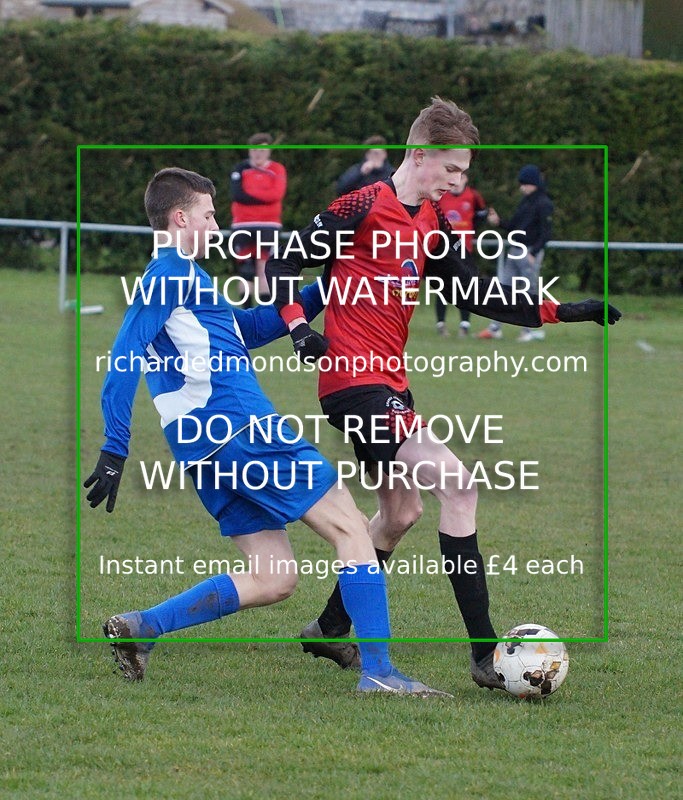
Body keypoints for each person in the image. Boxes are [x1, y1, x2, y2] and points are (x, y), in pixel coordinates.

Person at [265, 98, 621, 689]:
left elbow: (479, 296)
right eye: (452, 170)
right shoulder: (361, 205)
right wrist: (301, 328)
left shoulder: (433, 225)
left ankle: (330, 629)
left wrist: (565, 311)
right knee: (459, 483)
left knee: (400, 514)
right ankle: (486, 656)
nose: (459, 182)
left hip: (388, 384)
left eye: (464, 173)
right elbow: (283, 262)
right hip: (354, 384)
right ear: (420, 154)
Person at [83, 166, 449, 696]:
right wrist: (115, 445)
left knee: (274, 577)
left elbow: (245, 329)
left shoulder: (188, 278)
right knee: (351, 528)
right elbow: (123, 355)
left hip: (201, 449)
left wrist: (332, 282)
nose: (217, 226)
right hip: (238, 428)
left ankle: (143, 628)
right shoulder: (168, 275)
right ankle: (380, 673)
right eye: (210, 216)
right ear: (181, 217)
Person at [478, 164, 554, 342]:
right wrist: (499, 222)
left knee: (528, 292)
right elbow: (514, 226)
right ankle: (495, 327)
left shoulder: (544, 204)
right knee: (504, 288)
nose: (522, 187)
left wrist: (534, 252)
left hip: (528, 252)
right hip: (514, 250)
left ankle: (528, 330)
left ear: (533, 183)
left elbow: (546, 233)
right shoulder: (525, 202)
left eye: (524, 183)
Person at [230, 133, 287, 305]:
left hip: (268, 225)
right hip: (243, 225)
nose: (258, 154)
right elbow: (237, 195)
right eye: (255, 150)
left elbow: (276, 194)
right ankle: (246, 312)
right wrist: (264, 198)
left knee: (265, 267)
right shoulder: (240, 169)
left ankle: (264, 313)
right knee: (245, 268)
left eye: (262, 150)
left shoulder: (276, 169)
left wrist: (250, 195)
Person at [434, 173, 488, 337]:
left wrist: (470, 230)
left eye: (462, 177)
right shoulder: (441, 195)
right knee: (442, 287)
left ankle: (464, 325)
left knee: (465, 287)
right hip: (444, 250)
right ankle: (441, 324)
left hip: (464, 250)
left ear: (466, 179)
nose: (458, 182)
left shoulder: (473, 196)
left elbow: (482, 214)